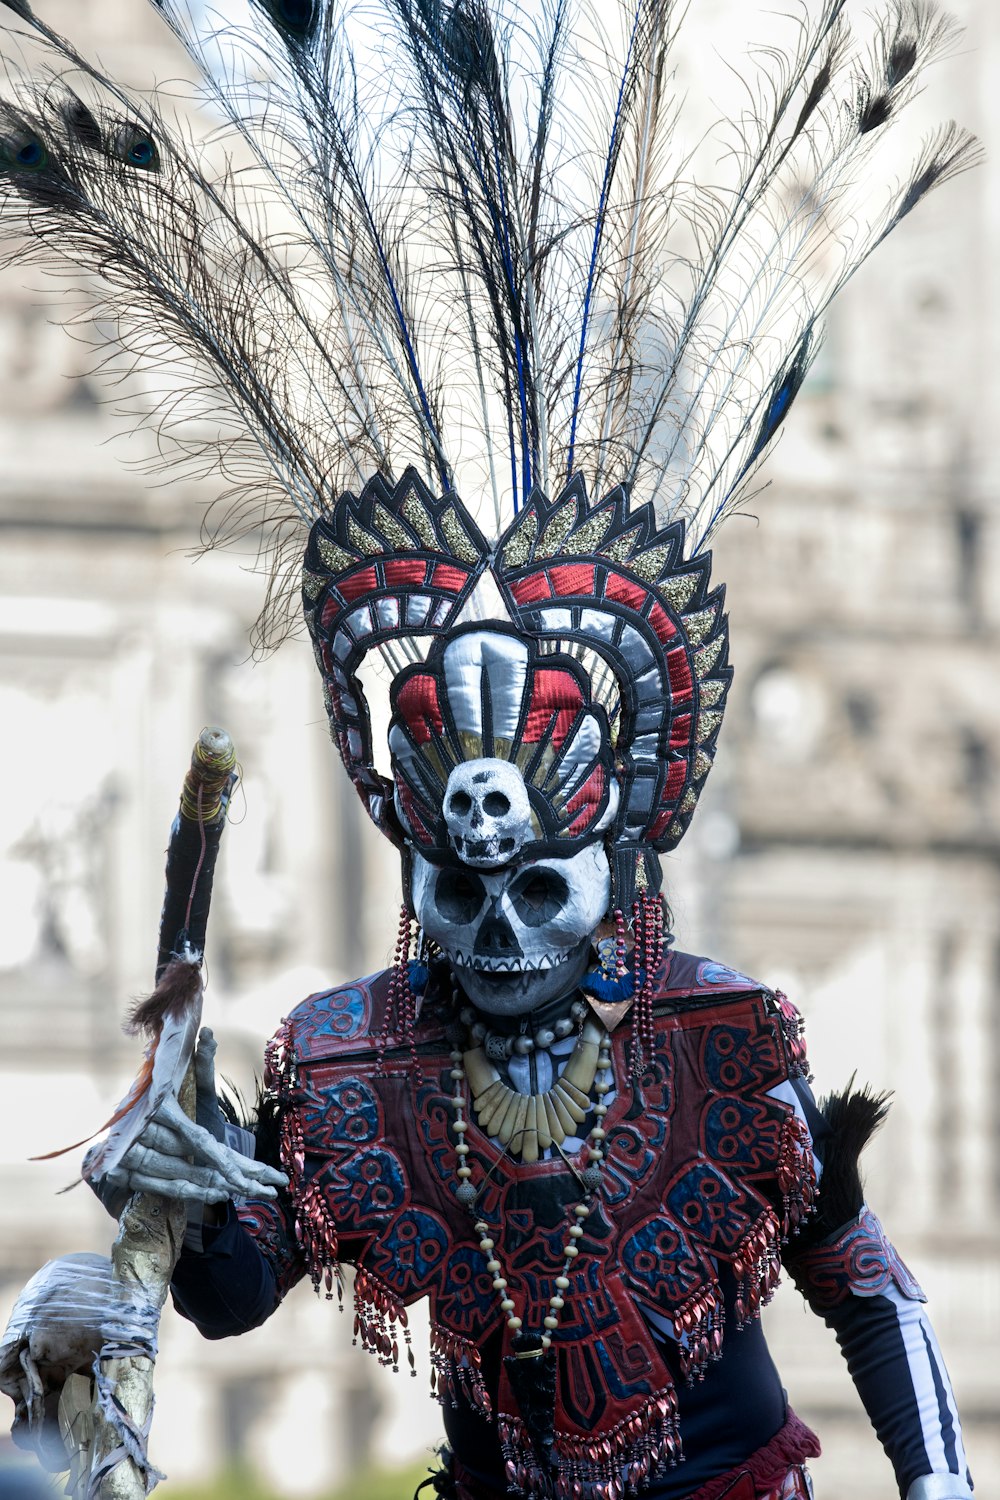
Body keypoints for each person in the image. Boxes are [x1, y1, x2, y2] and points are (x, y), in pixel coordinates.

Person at [0, 0, 978, 1495]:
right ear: (412, 865)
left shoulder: (727, 1048)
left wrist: (938, 1482)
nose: (501, 933)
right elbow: (236, 1295)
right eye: (464, 890)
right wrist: (177, 1175)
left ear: (617, 849)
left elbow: (870, 1287)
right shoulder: (347, 1064)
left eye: (539, 887)